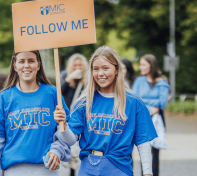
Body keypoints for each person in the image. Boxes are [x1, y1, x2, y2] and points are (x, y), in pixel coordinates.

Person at [54, 45, 158, 176]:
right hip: (88, 169)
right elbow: (70, 140)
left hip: (119, 169)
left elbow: (143, 142)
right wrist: (62, 124)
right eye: (95, 69)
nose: (100, 73)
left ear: (116, 70)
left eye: (105, 68)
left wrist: (148, 173)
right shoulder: (83, 102)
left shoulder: (134, 102)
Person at [0, 50, 71, 176]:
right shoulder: (3, 98)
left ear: (39, 65)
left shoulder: (52, 94)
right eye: (22, 61)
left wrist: (57, 151)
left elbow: (67, 132)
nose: (26, 65)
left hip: (47, 171)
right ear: (15, 66)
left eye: (31, 61)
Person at [132, 54, 170, 176]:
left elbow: (162, 102)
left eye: (143, 64)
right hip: (142, 118)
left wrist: (145, 102)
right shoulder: (139, 81)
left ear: (151, 65)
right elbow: (135, 100)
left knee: (155, 151)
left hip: (157, 120)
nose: (140, 67)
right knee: (144, 149)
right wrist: (150, 107)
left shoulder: (162, 81)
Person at [60, 53, 88, 176]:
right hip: (68, 119)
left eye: (80, 65)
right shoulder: (65, 76)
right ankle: (71, 172)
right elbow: (59, 95)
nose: (78, 67)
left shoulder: (87, 80)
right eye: (75, 65)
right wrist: (69, 79)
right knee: (71, 148)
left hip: (83, 119)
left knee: (80, 148)